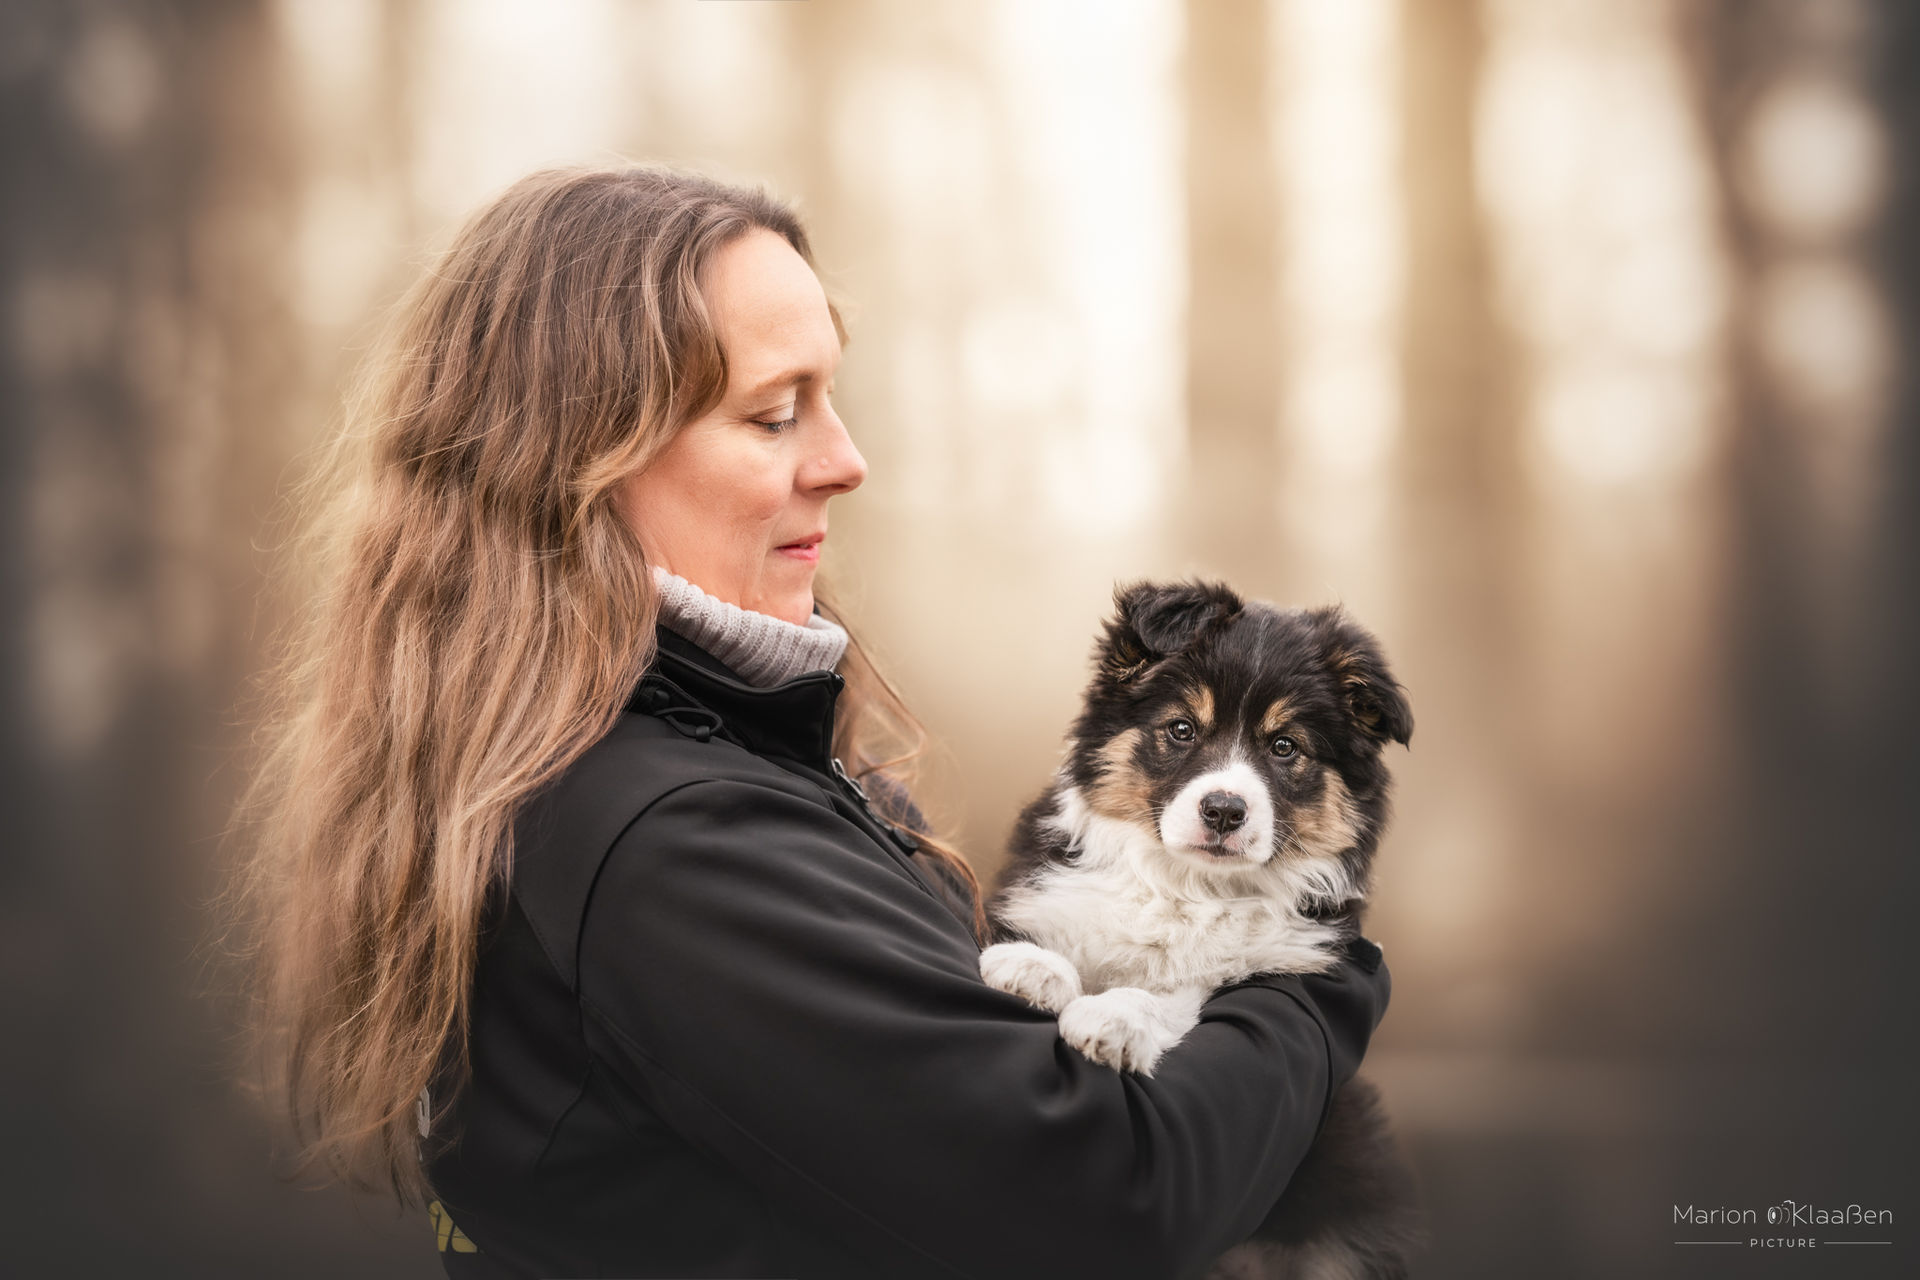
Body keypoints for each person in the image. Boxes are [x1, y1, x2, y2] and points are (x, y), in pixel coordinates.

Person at [232, 164, 1391, 1280]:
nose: (847, 460)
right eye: (776, 413)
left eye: (833, 399)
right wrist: (1312, 991)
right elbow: (1103, 1200)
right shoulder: (672, 841)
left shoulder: (731, 753)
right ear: (584, 456)